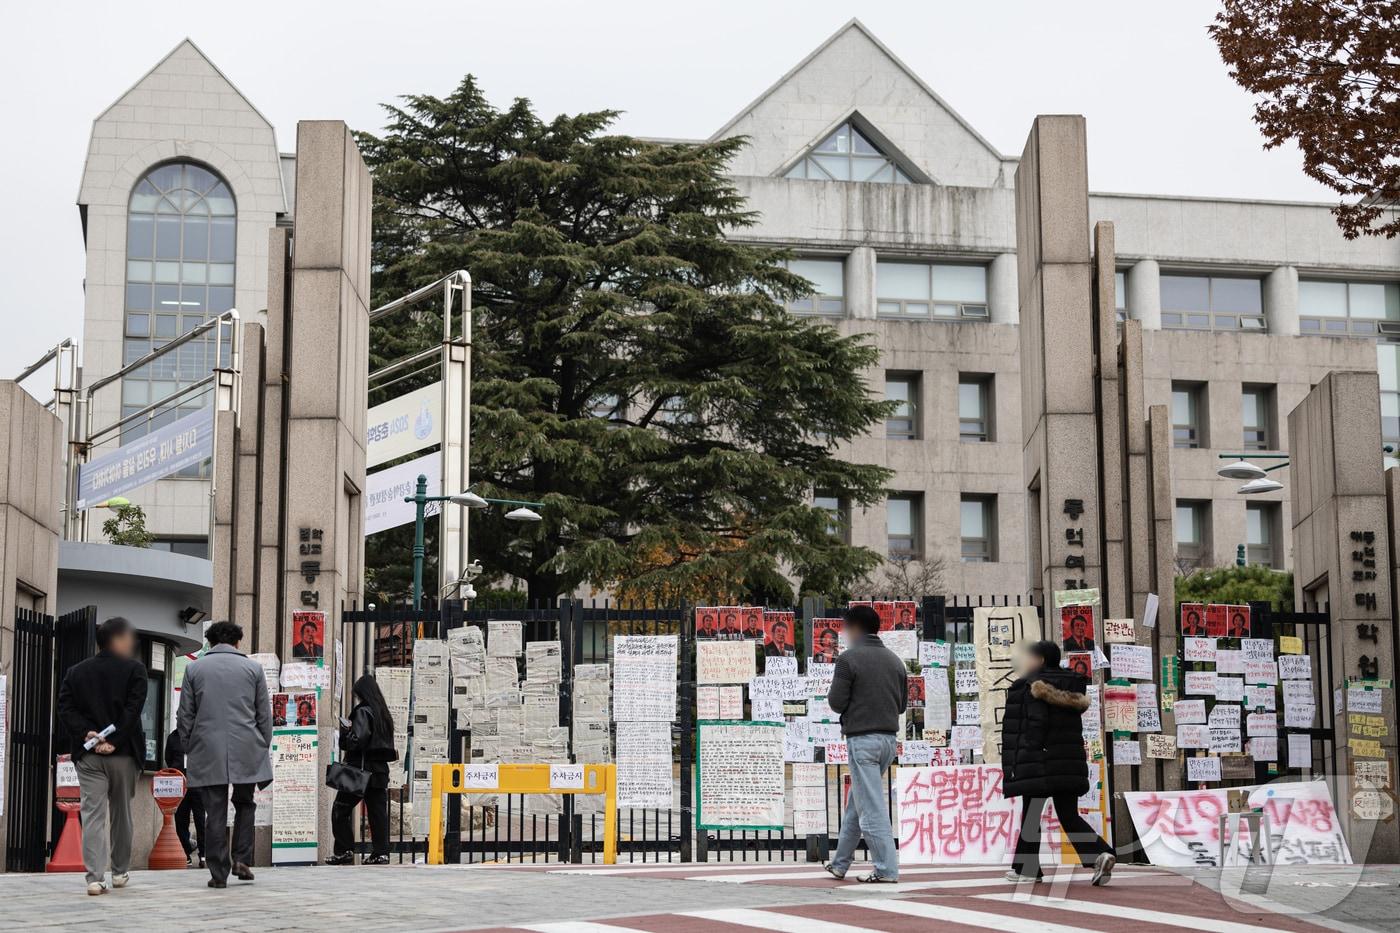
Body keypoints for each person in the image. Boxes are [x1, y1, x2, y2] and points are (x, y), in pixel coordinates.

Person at [1001, 640, 1115, 885]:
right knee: (1068, 814)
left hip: (1039, 761)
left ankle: (1027, 869)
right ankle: (1100, 853)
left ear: (1040, 659)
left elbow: (1036, 722)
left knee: (1031, 815)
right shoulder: (1073, 685)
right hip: (1068, 762)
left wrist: (1027, 752)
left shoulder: (1029, 685)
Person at [177, 620, 273, 889]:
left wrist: (189, 744)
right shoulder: (253, 669)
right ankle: (241, 858)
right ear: (238, 642)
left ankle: (218, 872)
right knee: (245, 803)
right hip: (247, 746)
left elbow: (185, 714)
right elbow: (263, 713)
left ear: (210, 641)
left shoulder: (194, 668)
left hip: (207, 747)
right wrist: (262, 743)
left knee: (214, 810)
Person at [56, 617, 148, 896]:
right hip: (124, 755)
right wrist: (115, 741)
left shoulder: (76, 672)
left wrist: (88, 735)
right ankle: (119, 872)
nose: (131, 642)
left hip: (89, 756)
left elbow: (65, 707)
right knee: (122, 813)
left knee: (93, 814)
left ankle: (94, 878)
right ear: (118, 639)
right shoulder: (136, 670)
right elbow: (133, 711)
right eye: (129, 637)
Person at [823, 604, 906, 884]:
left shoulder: (849, 659)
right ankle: (840, 863)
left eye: (846, 628)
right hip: (888, 741)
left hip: (862, 740)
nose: (844, 634)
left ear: (855, 628)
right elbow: (903, 704)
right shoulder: (896, 661)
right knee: (856, 803)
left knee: (870, 807)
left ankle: (886, 869)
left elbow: (836, 702)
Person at [327, 674, 399, 866]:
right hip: (379, 772)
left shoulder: (363, 712)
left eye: (358, 694)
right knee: (377, 814)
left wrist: (345, 734)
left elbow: (357, 740)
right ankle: (381, 853)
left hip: (360, 773)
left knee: (340, 809)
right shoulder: (383, 714)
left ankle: (344, 850)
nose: (357, 698)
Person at [164, 727, 206, 867]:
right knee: (181, 820)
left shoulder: (200, 735)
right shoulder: (173, 737)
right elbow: (168, 758)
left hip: (198, 783)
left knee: (200, 820)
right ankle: (186, 853)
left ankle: (203, 854)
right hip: (180, 785)